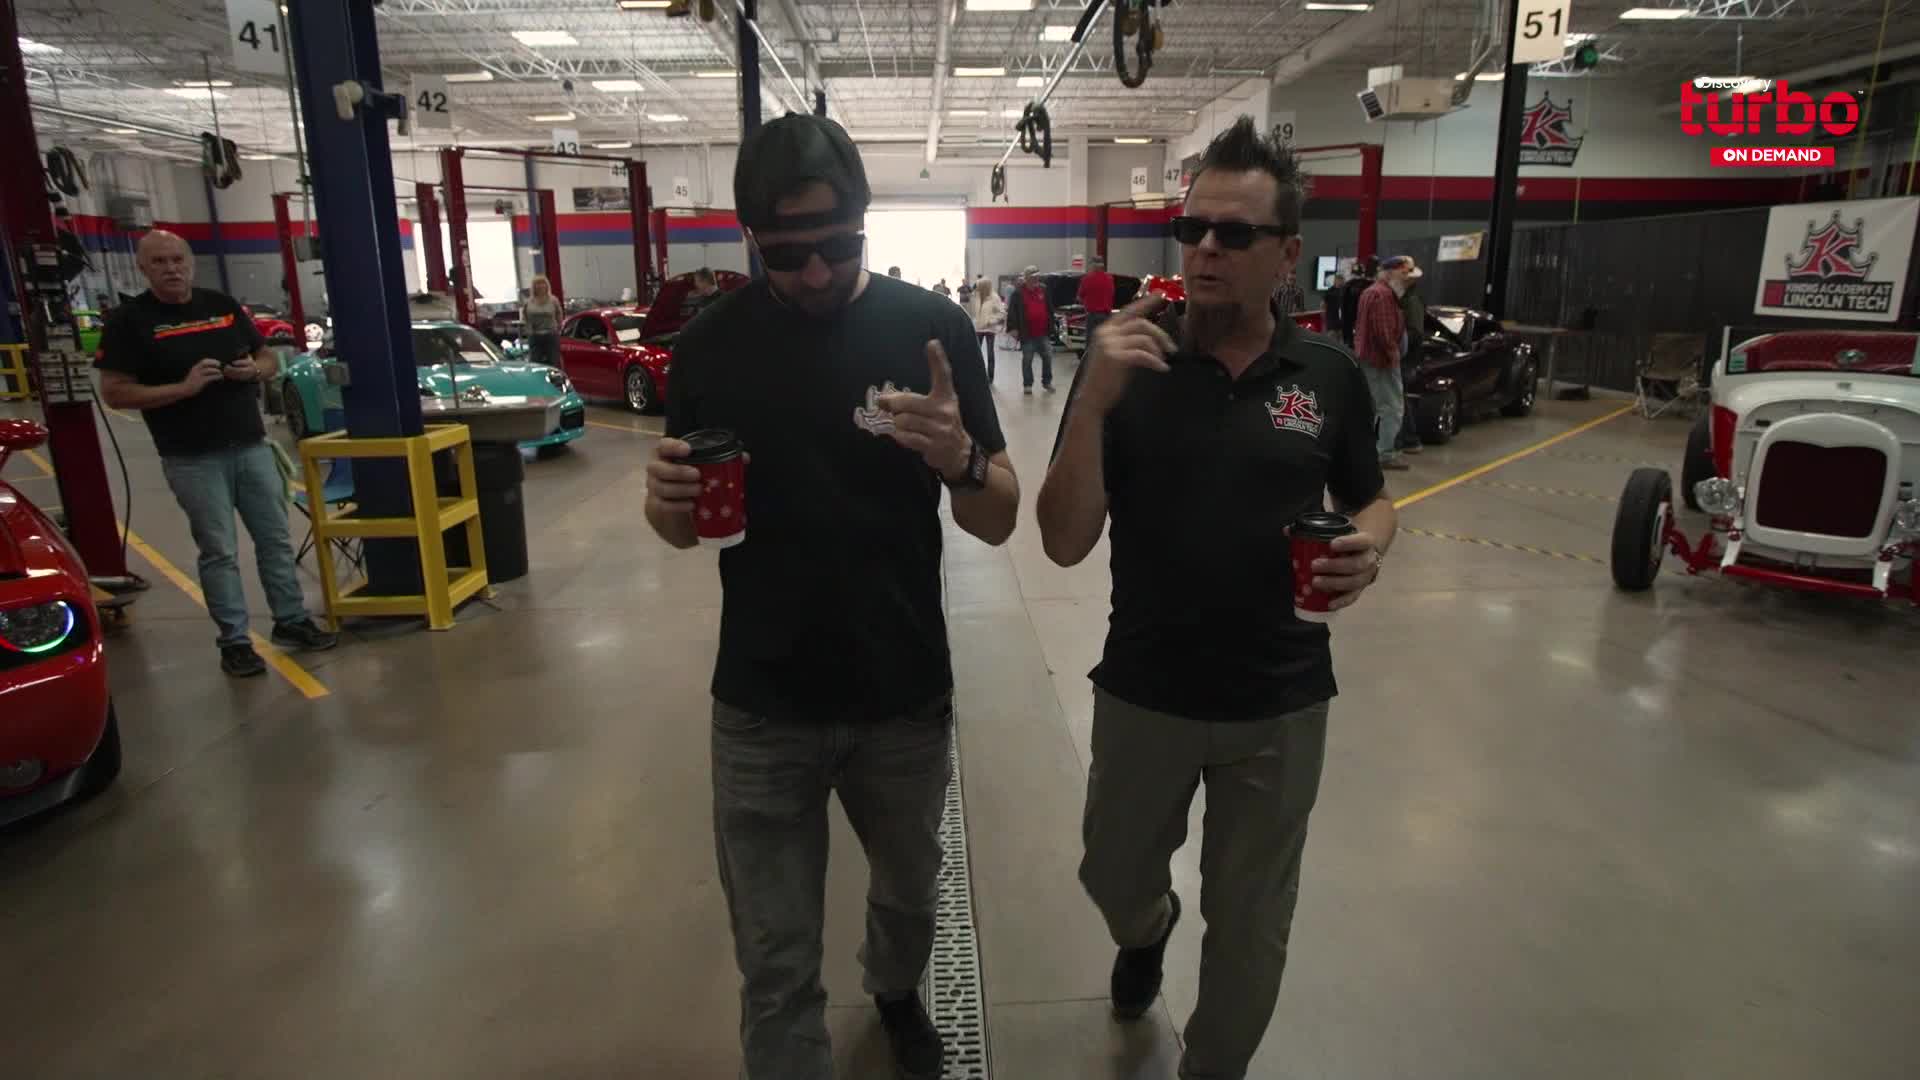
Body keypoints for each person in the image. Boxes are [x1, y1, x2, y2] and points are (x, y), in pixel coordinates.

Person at [641, 113, 1020, 1080]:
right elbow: (684, 529)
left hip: (902, 695)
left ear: (863, 222)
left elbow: (1000, 519)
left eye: (836, 246)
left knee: (909, 897)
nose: (813, 273)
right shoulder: (709, 348)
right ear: (750, 238)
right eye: (785, 253)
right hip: (761, 705)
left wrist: (963, 458)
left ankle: (894, 990)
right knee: (774, 958)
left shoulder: (930, 333)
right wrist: (663, 504)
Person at [1037, 115, 1395, 1080]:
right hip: (1145, 688)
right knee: (1111, 875)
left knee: (1251, 923)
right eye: (1192, 228)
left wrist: (1369, 546)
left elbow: (1370, 498)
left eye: (1235, 234)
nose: (1204, 249)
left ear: (1288, 255)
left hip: (1281, 699)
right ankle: (1147, 927)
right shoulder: (1128, 365)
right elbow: (1063, 542)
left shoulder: (1327, 377)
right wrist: (1094, 399)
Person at [95, 230, 338, 677]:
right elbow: (114, 392)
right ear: (143, 268)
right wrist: (183, 388)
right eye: (159, 262)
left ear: (190, 263)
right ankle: (235, 642)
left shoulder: (222, 306)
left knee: (275, 540)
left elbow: (268, 359)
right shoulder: (129, 321)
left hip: (251, 446)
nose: (171, 268)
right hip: (191, 457)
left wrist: (254, 371)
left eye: (177, 259)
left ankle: (291, 620)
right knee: (219, 552)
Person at [1356, 255, 1412, 471]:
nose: (1406, 277)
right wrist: (1393, 355)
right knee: (1392, 407)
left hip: (1368, 358)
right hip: (1381, 361)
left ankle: (1368, 450)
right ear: (1390, 273)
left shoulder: (1370, 292)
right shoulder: (1383, 295)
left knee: (1373, 407)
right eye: (1403, 273)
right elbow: (1383, 330)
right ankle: (1385, 454)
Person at [1003, 265, 1056, 395]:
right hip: (1027, 333)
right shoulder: (1018, 293)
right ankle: (1027, 384)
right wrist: (1013, 328)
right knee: (1027, 359)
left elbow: (1049, 308)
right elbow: (1012, 312)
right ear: (1026, 278)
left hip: (1043, 332)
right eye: (1033, 277)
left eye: (1037, 276)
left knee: (1048, 356)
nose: (1036, 279)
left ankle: (1047, 382)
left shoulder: (1043, 290)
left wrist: (1052, 323)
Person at [1393, 257, 1427, 455]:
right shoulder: (1405, 298)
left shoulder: (1411, 302)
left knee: (1399, 399)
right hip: (1406, 356)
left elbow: (1414, 333)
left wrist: (1397, 346)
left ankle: (1409, 439)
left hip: (1407, 358)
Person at [968, 275, 1006, 380]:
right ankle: (977, 375)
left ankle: (990, 376)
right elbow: (975, 311)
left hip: (990, 329)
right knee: (976, 353)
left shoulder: (994, 297)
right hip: (978, 328)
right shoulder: (977, 296)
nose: (978, 288)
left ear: (985, 286)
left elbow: (1002, 313)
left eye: (980, 286)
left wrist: (991, 321)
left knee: (990, 353)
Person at [523, 274, 561, 368]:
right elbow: (525, 317)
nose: (540, 286)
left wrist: (558, 327)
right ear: (533, 287)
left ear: (547, 285)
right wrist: (528, 330)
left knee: (553, 363)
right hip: (535, 336)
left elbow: (559, 314)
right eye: (537, 284)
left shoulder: (553, 300)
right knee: (535, 365)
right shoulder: (528, 302)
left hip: (551, 335)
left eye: (542, 283)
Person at [1077, 256, 1117, 344]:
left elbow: (1079, 297)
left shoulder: (1086, 279)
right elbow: (1112, 294)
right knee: (1105, 342)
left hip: (1092, 316)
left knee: (1091, 342)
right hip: (1106, 315)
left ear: (1093, 265)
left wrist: (1086, 302)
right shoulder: (1109, 279)